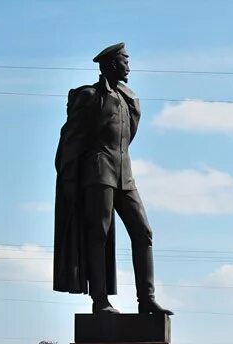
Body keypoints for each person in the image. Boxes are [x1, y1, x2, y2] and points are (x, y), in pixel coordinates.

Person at [53, 42, 172, 315]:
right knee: (99, 234)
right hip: (97, 172)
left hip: (124, 175)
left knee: (144, 232)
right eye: (124, 61)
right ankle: (100, 300)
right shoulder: (89, 96)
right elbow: (70, 140)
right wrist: (70, 182)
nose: (129, 66)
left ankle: (147, 300)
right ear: (111, 65)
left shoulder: (127, 98)